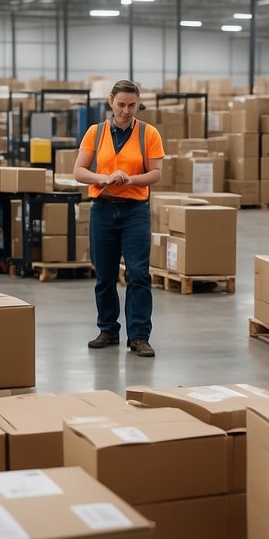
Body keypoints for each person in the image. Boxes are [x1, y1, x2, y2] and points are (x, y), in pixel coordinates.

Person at [73, 80, 165, 357]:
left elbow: (157, 173)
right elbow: (79, 170)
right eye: (121, 104)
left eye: (132, 105)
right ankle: (108, 329)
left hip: (134, 211)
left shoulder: (149, 133)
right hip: (102, 208)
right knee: (104, 274)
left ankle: (138, 336)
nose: (126, 111)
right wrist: (104, 177)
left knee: (138, 274)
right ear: (111, 102)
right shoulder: (95, 132)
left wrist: (130, 179)